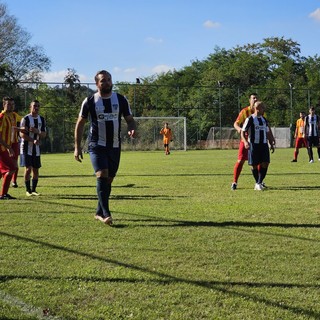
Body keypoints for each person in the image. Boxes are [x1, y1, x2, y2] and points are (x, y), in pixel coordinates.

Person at [74, 70, 136, 226]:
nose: (107, 82)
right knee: (102, 175)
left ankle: (98, 212)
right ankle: (107, 214)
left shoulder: (121, 100)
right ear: (97, 84)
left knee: (108, 180)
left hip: (115, 146)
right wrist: (77, 147)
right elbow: (80, 124)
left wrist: (132, 128)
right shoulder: (89, 101)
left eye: (109, 80)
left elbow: (130, 119)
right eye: (103, 80)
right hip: (96, 145)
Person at [241, 101, 275, 191]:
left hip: (263, 144)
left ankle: (259, 182)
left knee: (265, 163)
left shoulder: (264, 120)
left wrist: (271, 142)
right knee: (254, 165)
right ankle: (258, 183)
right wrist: (245, 142)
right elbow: (243, 131)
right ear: (257, 108)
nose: (264, 109)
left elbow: (267, 131)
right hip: (253, 144)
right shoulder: (250, 119)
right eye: (263, 108)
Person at [231, 93, 258, 190]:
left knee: (258, 162)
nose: (255, 99)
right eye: (253, 98)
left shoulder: (261, 111)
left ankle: (258, 182)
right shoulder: (245, 111)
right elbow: (236, 123)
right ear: (249, 100)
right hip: (245, 140)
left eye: (256, 98)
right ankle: (234, 182)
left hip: (256, 140)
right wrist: (239, 129)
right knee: (241, 160)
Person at [20, 100, 47, 196]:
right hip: (26, 148)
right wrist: (32, 140)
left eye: (38, 106)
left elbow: (44, 134)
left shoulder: (42, 119)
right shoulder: (26, 119)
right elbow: (21, 134)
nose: (36, 107)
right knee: (28, 169)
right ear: (30, 107)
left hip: (37, 149)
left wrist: (37, 131)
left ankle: (34, 190)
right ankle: (28, 190)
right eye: (34, 106)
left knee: (36, 169)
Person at [0, 97, 18, 199]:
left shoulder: (12, 116)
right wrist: (8, 147)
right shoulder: (2, 117)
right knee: (12, 168)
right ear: (4, 105)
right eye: (9, 104)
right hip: (2, 148)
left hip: (6, 147)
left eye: (12, 104)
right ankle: (3, 194)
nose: (11, 106)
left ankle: (3, 194)